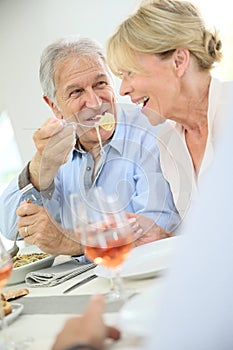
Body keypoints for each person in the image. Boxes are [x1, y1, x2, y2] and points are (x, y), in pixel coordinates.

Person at [0, 36, 179, 255]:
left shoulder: (151, 130)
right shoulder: (57, 148)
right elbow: (9, 227)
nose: (95, 103)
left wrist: (68, 241)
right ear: (54, 106)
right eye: (76, 92)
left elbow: (154, 230)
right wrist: (39, 166)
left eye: (100, 84)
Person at [106, 0, 233, 220]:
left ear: (179, 61)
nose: (123, 89)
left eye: (130, 73)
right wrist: (165, 239)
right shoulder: (169, 144)